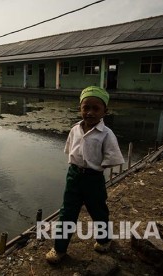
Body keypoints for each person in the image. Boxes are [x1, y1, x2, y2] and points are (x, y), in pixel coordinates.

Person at [45, 86, 125, 264]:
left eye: (95, 109)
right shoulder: (75, 129)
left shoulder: (106, 134)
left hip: (94, 178)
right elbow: (70, 149)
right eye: (85, 108)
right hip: (73, 176)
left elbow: (112, 157)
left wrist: (97, 168)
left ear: (105, 111)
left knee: (98, 210)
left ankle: (104, 240)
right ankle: (59, 249)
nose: (89, 113)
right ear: (80, 108)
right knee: (67, 213)